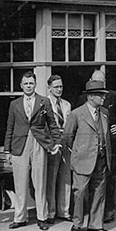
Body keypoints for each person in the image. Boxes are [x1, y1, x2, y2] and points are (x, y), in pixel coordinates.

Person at [4, 71, 61, 231]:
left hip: (39, 143)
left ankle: (42, 217)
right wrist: (7, 150)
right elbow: (9, 127)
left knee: (40, 182)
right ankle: (20, 218)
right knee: (20, 183)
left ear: (35, 84)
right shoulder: (14, 104)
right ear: (21, 86)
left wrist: (57, 142)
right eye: (26, 83)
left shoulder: (44, 101)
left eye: (31, 83)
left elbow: (52, 124)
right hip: (19, 144)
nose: (29, 86)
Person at [79, 70, 116, 223]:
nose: (99, 87)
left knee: (108, 179)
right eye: (96, 82)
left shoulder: (113, 95)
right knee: (87, 181)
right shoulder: (83, 98)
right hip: (88, 148)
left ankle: (108, 211)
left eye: (102, 83)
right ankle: (88, 212)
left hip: (109, 146)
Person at [63, 80, 113, 231]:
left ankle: (96, 224)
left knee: (99, 192)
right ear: (91, 97)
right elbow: (67, 137)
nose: (104, 98)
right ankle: (77, 223)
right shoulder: (77, 114)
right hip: (83, 160)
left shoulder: (104, 112)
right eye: (100, 95)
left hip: (102, 159)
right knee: (80, 192)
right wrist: (79, 151)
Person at [46, 74, 73, 223]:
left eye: (61, 86)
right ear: (49, 88)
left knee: (65, 177)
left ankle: (64, 211)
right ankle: (51, 212)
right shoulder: (44, 102)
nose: (59, 89)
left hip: (66, 143)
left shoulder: (67, 105)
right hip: (52, 143)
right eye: (56, 87)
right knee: (51, 177)